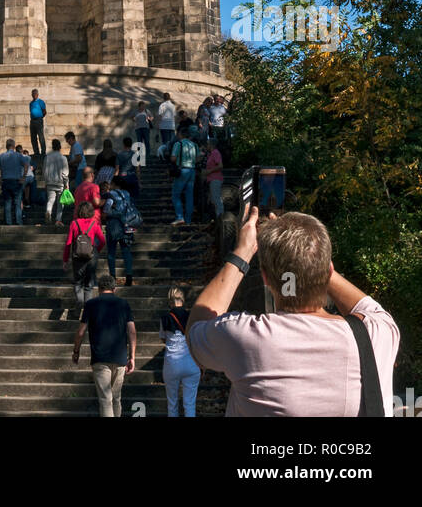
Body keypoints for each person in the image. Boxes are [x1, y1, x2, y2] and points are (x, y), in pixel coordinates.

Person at [186, 208, 400, 417]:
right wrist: (312, 262)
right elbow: (365, 306)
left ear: (266, 278)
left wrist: (243, 252)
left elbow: (196, 328)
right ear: (330, 270)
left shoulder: (245, 337)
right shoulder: (377, 333)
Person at [73, 273, 136, 418]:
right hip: (120, 358)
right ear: (115, 289)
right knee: (116, 398)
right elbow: (132, 332)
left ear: (98, 289)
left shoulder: (91, 304)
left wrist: (76, 351)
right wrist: (132, 357)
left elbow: (81, 332)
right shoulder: (123, 304)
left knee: (105, 400)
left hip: (100, 359)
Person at [161, 286, 201, 417]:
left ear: (170, 301)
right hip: (191, 363)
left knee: (172, 405)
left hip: (172, 363)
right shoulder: (191, 316)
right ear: (182, 300)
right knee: (190, 405)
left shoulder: (165, 317)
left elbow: (163, 338)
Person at [63, 201, 106, 307]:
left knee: (78, 282)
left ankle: (79, 302)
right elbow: (102, 240)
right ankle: (87, 309)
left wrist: (65, 260)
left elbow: (68, 243)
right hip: (91, 256)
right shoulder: (94, 223)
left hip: (77, 257)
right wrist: (96, 250)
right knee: (89, 285)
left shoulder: (74, 223)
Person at [103, 180, 138, 286]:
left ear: (115, 184)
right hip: (127, 225)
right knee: (126, 251)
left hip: (113, 225)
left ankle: (112, 277)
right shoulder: (127, 194)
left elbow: (107, 209)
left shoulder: (111, 194)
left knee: (111, 252)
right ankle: (129, 277)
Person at [0, 139, 30, 225]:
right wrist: (24, 177)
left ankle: (8, 222)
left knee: (7, 203)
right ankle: (18, 221)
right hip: (16, 181)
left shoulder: (2, 156)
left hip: (5, 181)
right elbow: (26, 165)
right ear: (14, 146)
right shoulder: (18, 155)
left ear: (6, 146)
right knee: (17, 203)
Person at [169, 127, 198, 227]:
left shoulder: (178, 144)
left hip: (182, 170)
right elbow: (198, 158)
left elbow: (173, 158)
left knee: (176, 195)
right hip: (192, 171)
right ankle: (188, 220)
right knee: (189, 196)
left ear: (180, 135)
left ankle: (180, 217)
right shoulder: (194, 145)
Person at [44, 138, 69, 226]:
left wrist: (46, 182)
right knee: (60, 203)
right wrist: (66, 184)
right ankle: (58, 220)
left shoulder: (48, 157)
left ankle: (48, 211)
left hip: (50, 182)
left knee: (50, 200)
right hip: (60, 183)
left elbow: (45, 171)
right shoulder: (63, 158)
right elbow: (65, 173)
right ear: (60, 147)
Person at [204, 138, 224, 220]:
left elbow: (220, 166)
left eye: (207, 144)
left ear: (211, 145)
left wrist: (209, 171)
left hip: (215, 179)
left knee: (216, 199)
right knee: (213, 200)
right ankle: (217, 218)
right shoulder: (211, 154)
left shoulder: (215, 153)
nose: (206, 145)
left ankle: (221, 218)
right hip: (211, 179)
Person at [28, 88, 47, 163]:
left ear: (37, 94)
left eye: (35, 94)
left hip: (39, 120)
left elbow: (44, 111)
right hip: (32, 121)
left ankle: (43, 152)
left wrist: (40, 117)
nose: (34, 95)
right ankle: (36, 152)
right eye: (33, 94)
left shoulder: (41, 102)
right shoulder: (31, 103)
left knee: (41, 136)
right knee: (33, 137)